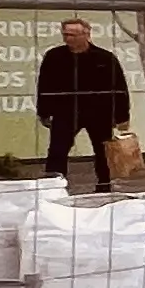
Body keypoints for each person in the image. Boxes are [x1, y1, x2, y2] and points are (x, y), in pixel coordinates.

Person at [34, 18, 130, 193]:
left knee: (103, 152)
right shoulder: (54, 56)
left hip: (99, 111)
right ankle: (53, 187)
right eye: (65, 34)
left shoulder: (105, 57)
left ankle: (104, 186)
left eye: (73, 34)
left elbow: (120, 87)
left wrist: (122, 116)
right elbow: (44, 85)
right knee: (57, 150)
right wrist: (44, 111)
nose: (68, 38)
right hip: (65, 111)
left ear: (86, 34)